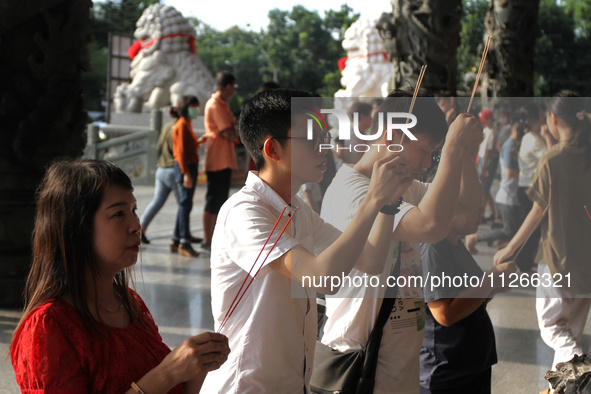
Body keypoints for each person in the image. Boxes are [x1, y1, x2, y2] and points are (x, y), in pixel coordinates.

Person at [202, 88, 412, 393]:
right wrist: (372, 199)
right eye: (312, 139)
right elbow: (323, 277)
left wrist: (388, 204)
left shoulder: (298, 210)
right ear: (272, 150)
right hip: (245, 386)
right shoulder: (244, 212)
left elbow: (371, 261)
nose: (324, 147)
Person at [10, 159, 229, 393]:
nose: (136, 226)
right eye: (118, 214)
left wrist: (198, 365)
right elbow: (161, 380)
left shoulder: (128, 303)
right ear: (77, 228)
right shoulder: (48, 327)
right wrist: (167, 373)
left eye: (134, 211)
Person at [318, 90, 484, 394]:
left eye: (432, 152)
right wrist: (450, 150)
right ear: (394, 135)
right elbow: (431, 225)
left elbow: (467, 209)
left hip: (399, 364)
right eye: (423, 150)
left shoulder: (403, 184)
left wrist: (461, 153)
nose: (426, 162)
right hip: (361, 360)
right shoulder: (352, 190)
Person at [494, 91, 591, 393]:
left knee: (552, 329)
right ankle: (556, 389)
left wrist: (509, 249)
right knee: (570, 330)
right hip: (587, 263)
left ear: (552, 119)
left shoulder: (552, 160)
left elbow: (538, 212)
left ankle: (578, 361)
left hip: (557, 258)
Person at [419, 206, 516, 394]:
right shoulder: (433, 247)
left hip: (471, 365)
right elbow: (444, 313)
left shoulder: (455, 244)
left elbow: (467, 300)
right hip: (447, 373)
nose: (481, 211)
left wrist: (493, 289)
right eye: (473, 204)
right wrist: (489, 281)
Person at [140, 106, 202, 246]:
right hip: (172, 170)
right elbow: (180, 152)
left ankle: (141, 228)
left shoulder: (168, 125)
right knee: (184, 205)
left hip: (161, 169)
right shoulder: (180, 127)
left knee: (157, 202)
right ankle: (181, 235)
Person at [466, 113, 525, 252]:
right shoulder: (509, 145)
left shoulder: (508, 142)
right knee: (508, 230)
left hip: (508, 195)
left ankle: (494, 233)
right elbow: (487, 152)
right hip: (506, 195)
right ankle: (477, 237)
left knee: (511, 230)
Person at [515, 102, 555, 273]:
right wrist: (547, 136)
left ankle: (523, 263)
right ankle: (523, 264)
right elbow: (552, 157)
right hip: (529, 189)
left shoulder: (529, 137)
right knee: (531, 230)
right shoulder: (534, 140)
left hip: (527, 187)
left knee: (531, 229)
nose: (544, 118)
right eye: (541, 116)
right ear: (534, 120)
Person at [202, 71, 238, 251]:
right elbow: (227, 131)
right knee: (213, 199)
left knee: (220, 199)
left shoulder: (222, 104)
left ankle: (212, 237)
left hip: (223, 156)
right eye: (233, 87)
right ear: (229, 86)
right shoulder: (215, 104)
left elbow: (232, 129)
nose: (234, 91)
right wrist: (232, 132)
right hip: (217, 157)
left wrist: (233, 131)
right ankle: (208, 239)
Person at [172, 95, 204, 257]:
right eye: (193, 106)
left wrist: (200, 141)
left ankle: (177, 238)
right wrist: (186, 173)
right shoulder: (182, 124)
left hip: (188, 166)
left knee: (185, 204)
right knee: (185, 204)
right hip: (185, 167)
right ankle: (184, 242)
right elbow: (181, 152)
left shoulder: (186, 124)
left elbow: (188, 147)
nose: (196, 109)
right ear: (186, 107)